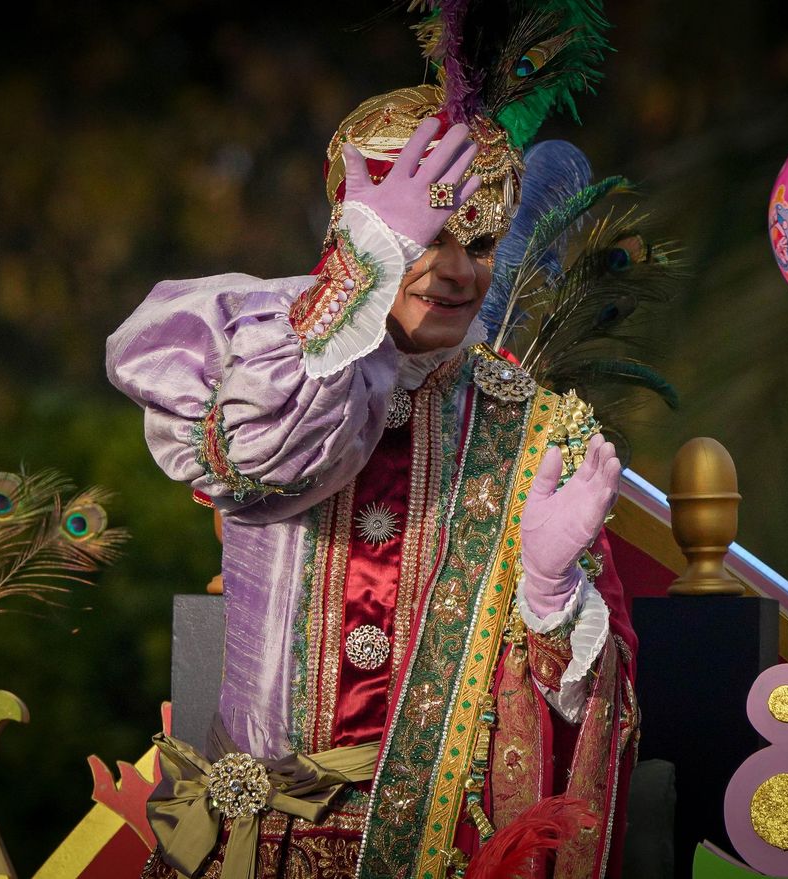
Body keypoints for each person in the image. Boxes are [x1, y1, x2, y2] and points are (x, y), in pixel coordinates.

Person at [108, 9, 636, 878]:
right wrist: (360, 269)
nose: (457, 272)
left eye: (477, 244)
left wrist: (548, 599)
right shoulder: (269, 357)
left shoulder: (539, 428)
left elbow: (599, 699)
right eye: (423, 243)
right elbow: (251, 460)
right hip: (251, 848)